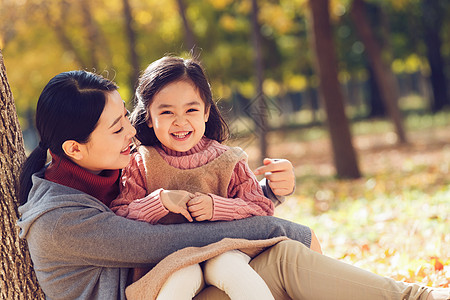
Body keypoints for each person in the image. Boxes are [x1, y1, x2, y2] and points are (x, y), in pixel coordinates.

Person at [17, 70, 449, 300]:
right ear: (74, 148)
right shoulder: (59, 219)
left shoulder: (108, 171)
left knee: (283, 261)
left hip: (187, 282)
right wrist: (285, 227)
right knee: (282, 252)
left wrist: (265, 194)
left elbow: (199, 197)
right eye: (117, 128)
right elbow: (165, 241)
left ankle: (419, 298)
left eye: (125, 118)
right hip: (163, 290)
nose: (132, 131)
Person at [109, 56, 321, 300]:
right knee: (182, 276)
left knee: (232, 268)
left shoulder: (228, 159)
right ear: (148, 116)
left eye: (191, 109)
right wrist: (160, 202)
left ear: (206, 111)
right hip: (166, 261)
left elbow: (261, 207)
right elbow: (121, 216)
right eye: (166, 112)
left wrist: (216, 207)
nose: (180, 121)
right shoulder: (140, 162)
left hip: (225, 250)